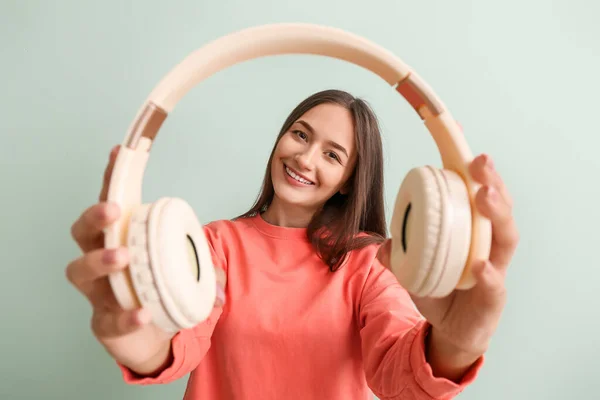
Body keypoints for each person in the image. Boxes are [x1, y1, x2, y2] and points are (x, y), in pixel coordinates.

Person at [66, 89, 519, 399]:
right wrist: (130, 334)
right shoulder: (217, 244)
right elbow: (177, 347)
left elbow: (398, 374)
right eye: (300, 134)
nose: (304, 157)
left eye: (332, 154)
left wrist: (457, 345)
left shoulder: (371, 262)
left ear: (347, 182)